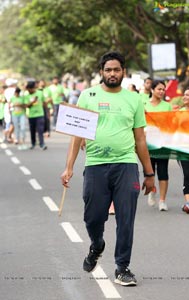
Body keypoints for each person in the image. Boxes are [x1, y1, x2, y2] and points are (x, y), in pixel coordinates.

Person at [61, 51, 154, 286]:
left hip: (126, 166)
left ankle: (123, 268)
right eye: (108, 70)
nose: (112, 73)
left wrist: (149, 173)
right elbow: (77, 135)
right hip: (95, 166)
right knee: (92, 218)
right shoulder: (87, 96)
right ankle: (97, 244)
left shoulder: (133, 100)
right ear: (102, 72)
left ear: (124, 71)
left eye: (117, 69)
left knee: (126, 219)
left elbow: (140, 140)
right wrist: (68, 167)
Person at [144, 80, 172, 211]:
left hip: (162, 143)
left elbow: (172, 124)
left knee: (163, 171)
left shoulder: (167, 106)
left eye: (163, 89)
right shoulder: (144, 105)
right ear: (152, 90)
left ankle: (162, 200)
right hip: (147, 144)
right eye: (159, 89)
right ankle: (151, 191)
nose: (161, 92)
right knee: (150, 171)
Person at [25, 81, 47, 150]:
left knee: (40, 130)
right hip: (31, 115)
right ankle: (33, 143)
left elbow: (44, 102)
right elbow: (27, 106)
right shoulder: (27, 95)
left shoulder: (40, 93)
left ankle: (42, 144)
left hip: (40, 114)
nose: (28, 91)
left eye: (29, 89)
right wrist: (33, 101)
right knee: (32, 130)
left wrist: (47, 112)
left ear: (33, 88)